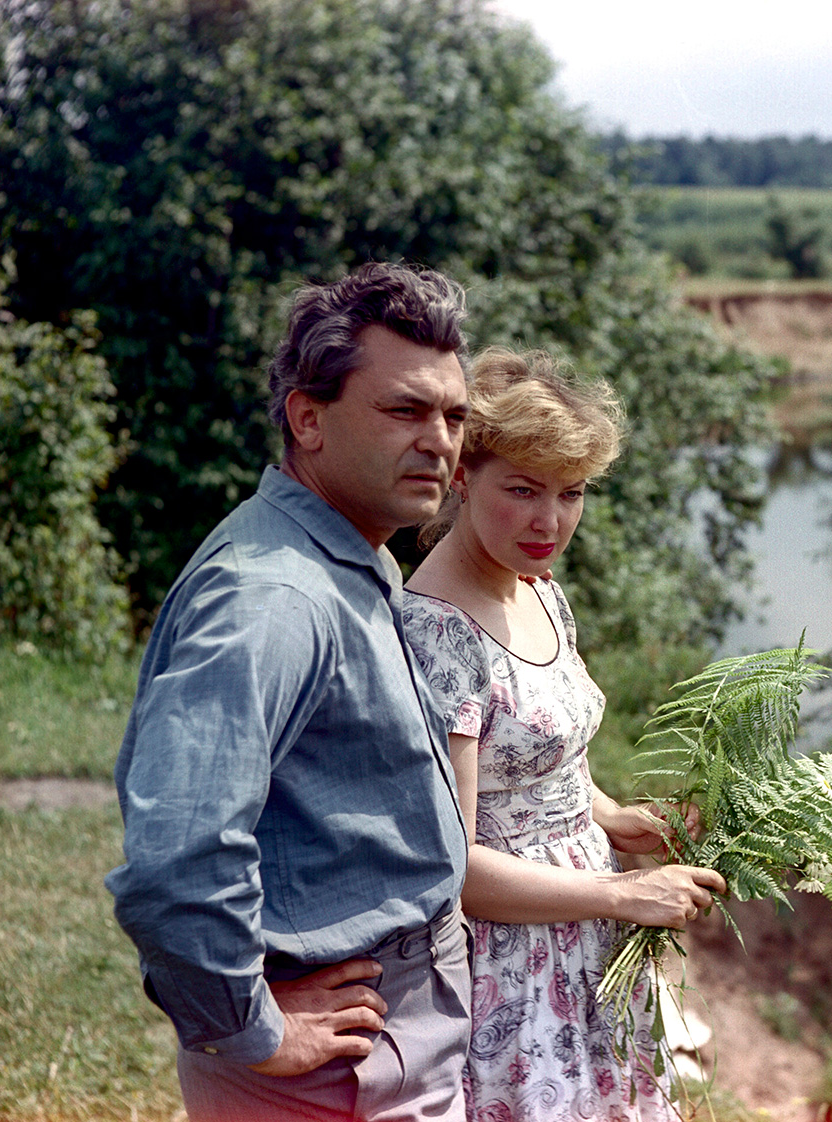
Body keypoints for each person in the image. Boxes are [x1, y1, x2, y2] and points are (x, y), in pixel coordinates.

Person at [107, 262, 475, 1122]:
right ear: (308, 419)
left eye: (454, 416)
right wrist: (250, 1029)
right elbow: (177, 857)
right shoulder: (274, 596)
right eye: (404, 411)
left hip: (388, 1039)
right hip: (337, 1072)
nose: (439, 441)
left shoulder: (345, 551)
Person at [400, 348, 725, 1122]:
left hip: (589, 939)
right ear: (462, 476)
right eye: (522, 490)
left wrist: (613, 818)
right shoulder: (437, 633)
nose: (550, 521)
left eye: (571, 492)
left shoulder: (539, 588)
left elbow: (547, 762)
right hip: (514, 969)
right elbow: (455, 870)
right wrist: (623, 891)